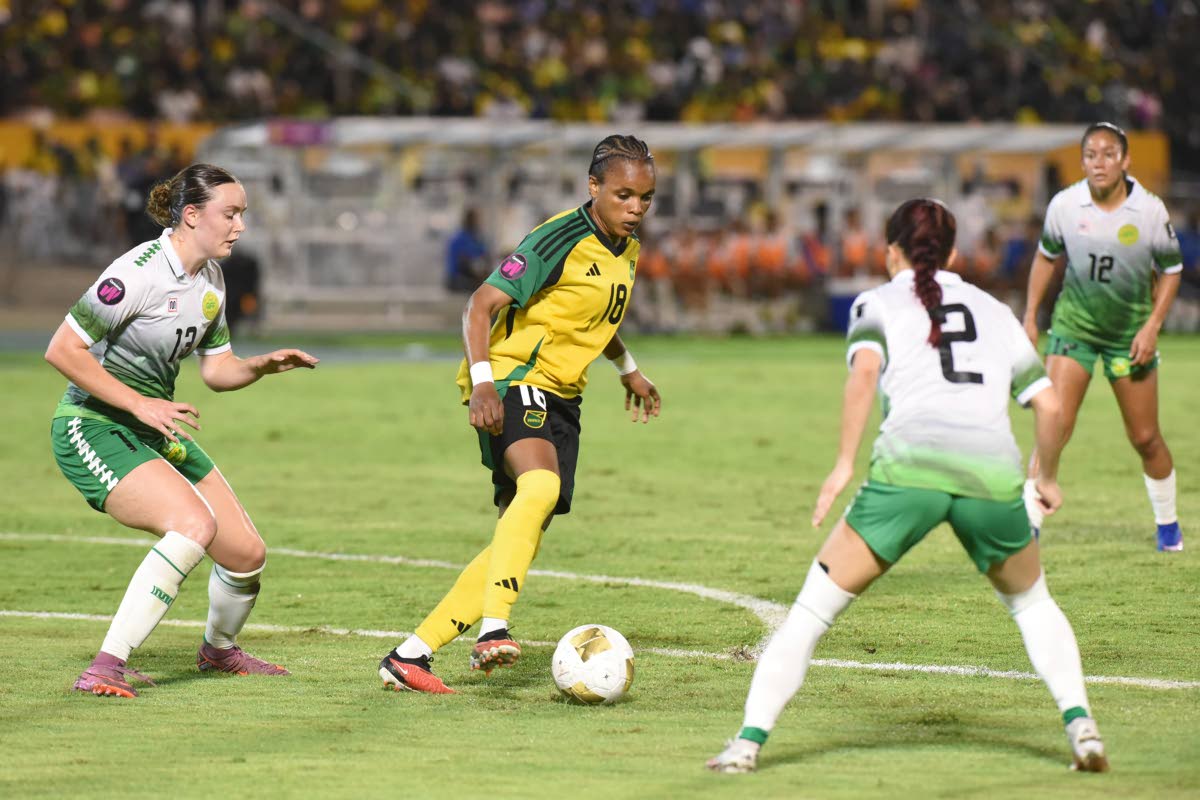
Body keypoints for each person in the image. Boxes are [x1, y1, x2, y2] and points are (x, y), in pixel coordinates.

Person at [707, 199, 1108, 774]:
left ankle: (746, 746)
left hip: (908, 475)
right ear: (953, 253)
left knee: (811, 612)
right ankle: (1083, 728)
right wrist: (1045, 475)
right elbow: (1049, 405)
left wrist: (844, 463)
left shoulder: (877, 301)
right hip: (990, 475)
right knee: (1031, 603)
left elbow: (864, 375)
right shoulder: (994, 310)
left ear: (890, 251)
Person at [379, 134, 663, 694]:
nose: (636, 208)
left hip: (565, 396)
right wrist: (484, 383)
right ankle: (494, 629)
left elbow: (590, 317)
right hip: (512, 378)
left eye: (646, 198)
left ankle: (410, 655)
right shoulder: (558, 238)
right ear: (594, 187)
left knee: (523, 528)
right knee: (539, 488)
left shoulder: (626, 247)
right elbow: (481, 304)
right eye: (624, 195)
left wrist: (628, 366)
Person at [45, 164, 319, 698]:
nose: (239, 226)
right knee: (193, 526)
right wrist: (138, 404)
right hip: (91, 425)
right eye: (230, 213)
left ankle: (218, 651)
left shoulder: (210, 281)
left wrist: (259, 365)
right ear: (191, 215)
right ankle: (104, 666)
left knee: (245, 556)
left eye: (242, 214)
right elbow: (62, 350)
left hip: (153, 425)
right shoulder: (137, 273)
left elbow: (217, 371)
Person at [1022, 122, 1184, 551]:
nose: (1099, 162)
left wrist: (1152, 327)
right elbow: (1045, 257)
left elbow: (1171, 270)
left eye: (1109, 154)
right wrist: (1031, 315)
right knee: (1053, 421)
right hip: (1075, 326)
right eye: (1091, 154)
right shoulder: (1064, 205)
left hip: (1129, 334)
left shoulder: (1149, 211)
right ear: (1083, 162)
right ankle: (1028, 524)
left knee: (1145, 438)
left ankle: (1168, 525)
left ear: (1125, 161)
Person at [445, 207, 490, 292]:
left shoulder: (476, 238)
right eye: (475, 219)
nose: (478, 222)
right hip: (457, 279)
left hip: (470, 276)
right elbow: (464, 263)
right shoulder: (459, 238)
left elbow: (484, 255)